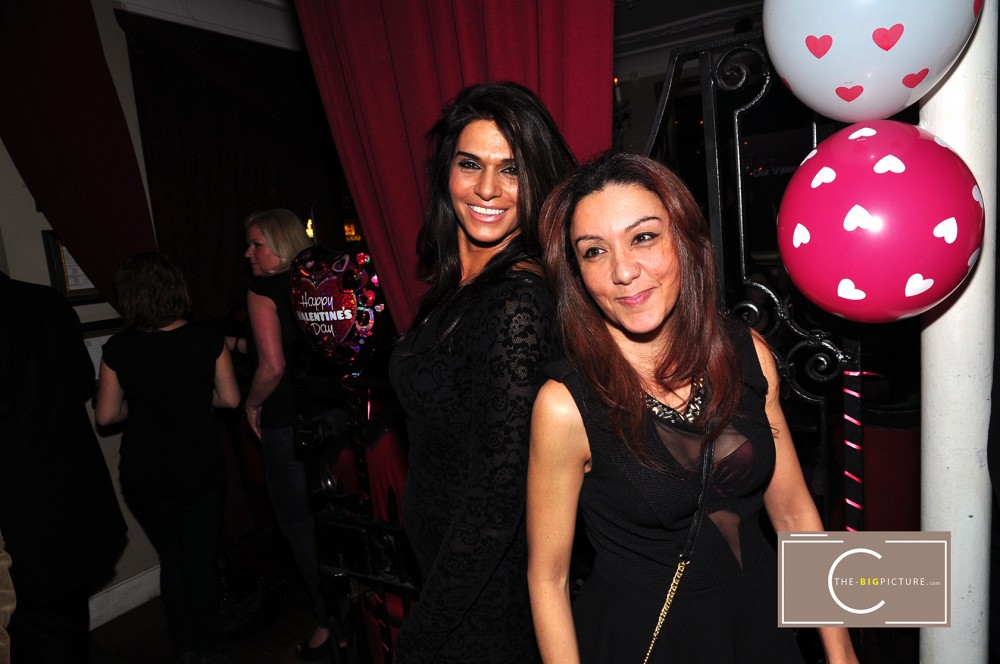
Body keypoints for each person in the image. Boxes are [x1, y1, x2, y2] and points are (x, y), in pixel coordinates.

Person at [526, 152, 858, 664]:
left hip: (761, 628)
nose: (623, 271)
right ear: (577, 274)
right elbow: (548, 578)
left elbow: (794, 514)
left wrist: (841, 653)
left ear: (683, 239)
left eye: (643, 237)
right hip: (648, 641)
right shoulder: (566, 405)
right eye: (594, 251)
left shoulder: (747, 354)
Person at [387, 81, 577, 663]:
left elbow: (498, 500)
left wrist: (420, 636)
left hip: (483, 602)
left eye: (511, 169)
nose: (487, 188)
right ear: (447, 171)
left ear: (536, 179)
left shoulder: (515, 302)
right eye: (470, 164)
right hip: (447, 578)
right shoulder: (456, 287)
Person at [95, 253, 240, 663]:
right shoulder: (207, 338)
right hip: (198, 465)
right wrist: (194, 399)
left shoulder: (119, 347)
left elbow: (106, 416)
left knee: (172, 560)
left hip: (144, 469)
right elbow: (230, 399)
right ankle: (211, 649)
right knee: (199, 562)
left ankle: (186, 648)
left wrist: (142, 407)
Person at [0, 270, 127, 663]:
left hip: (22, 517)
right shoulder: (48, 301)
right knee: (68, 625)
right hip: (75, 496)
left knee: (36, 636)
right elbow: (81, 382)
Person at [235, 209, 332, 660]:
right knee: (337, 520)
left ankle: (328, 623)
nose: (248, 253)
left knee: (300, 527)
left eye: (257, 243)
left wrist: (251, 403)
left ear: (280, 242)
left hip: (289, 424)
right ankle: (356, 608)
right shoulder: (320, 282)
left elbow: (273, 365)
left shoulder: (262, 291)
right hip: (335, 416)